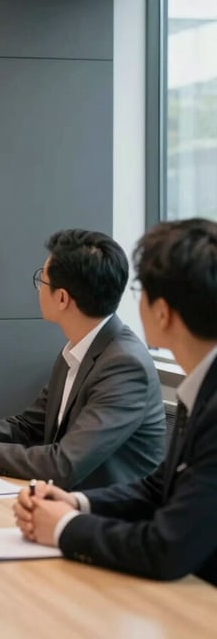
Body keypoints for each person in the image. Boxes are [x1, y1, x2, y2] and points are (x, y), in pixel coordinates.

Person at [14, 218, 217, 585]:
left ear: (163, 312)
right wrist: (77, 504)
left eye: (140, 289)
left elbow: (165, 548)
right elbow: (158, 488)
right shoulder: (202, 387)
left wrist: (65, 527)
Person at [0, 229, 165, 489]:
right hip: (63, 503)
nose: (39, 288)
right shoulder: (78, 350)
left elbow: (64, 464)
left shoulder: (125, 366)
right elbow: (29, 425)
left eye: (43, 280)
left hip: (109, 517)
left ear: (62, 298)